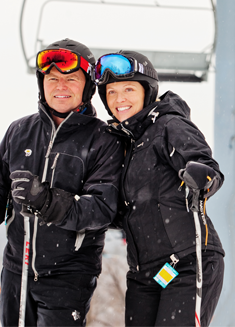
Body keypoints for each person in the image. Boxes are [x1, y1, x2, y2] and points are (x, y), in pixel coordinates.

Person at [0, 38, 124, 326]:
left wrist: (48, 202)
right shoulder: (19, 131)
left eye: (70, 78)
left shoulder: (103, 140)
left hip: (68, 275)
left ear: (87, 86)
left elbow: (101, 209)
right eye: (52, 78)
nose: (60, 86)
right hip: (16, 270)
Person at [95, 51, 225, 326]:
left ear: (148, 91)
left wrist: (201, 177)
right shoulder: (125, 143)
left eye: (128, 89)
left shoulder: (169, 125)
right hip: (145, 273)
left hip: (189, 262)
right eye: (111, 92)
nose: (119, 100)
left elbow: (204, 165)